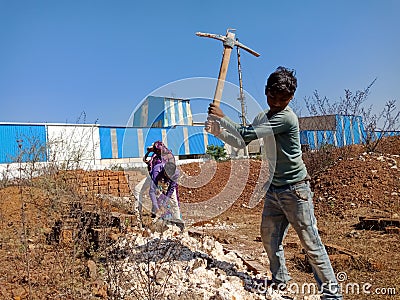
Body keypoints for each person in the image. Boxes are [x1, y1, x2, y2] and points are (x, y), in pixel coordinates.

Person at [205, 66, 342, 299]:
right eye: (273, 96)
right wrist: (217, 131)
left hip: (296, 190)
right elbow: (240, 141)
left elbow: (246, 133)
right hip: (274, 189)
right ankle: (280, 282)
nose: (277, 102)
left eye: (284, 98)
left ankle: (332, 295)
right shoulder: (262, 118)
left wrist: (222, 116)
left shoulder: (287, 118)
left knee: (311, 244)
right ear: (266, 91)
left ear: (291, 98)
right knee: (269, 239)